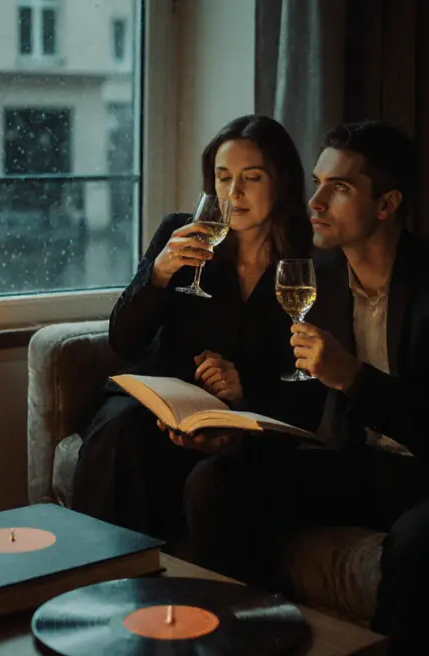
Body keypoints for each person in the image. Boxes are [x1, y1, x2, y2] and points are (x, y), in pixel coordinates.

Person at [183, 121, 429, 655]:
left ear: (386, 204)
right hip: (371, 467)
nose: (316, 200)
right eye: (317, 182)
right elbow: (299, 401)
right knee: (216, 481)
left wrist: (353, 377)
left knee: (421, 542)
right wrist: (233, 428)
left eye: (341, 188)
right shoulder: (319, 276)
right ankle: (251, 640)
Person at [70, 114, 313, 546]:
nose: (233, 193)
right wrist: (159, 274)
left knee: (219, 471)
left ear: (282, 182)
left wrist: (242, 391)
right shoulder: (181, 234)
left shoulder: (302, 266)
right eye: (223, 178)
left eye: (251, 178)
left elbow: (304, 387)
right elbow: (123, 341)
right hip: (157, 407)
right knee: (120, 431)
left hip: (238, 420)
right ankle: (102, 579)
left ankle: (174, 596)